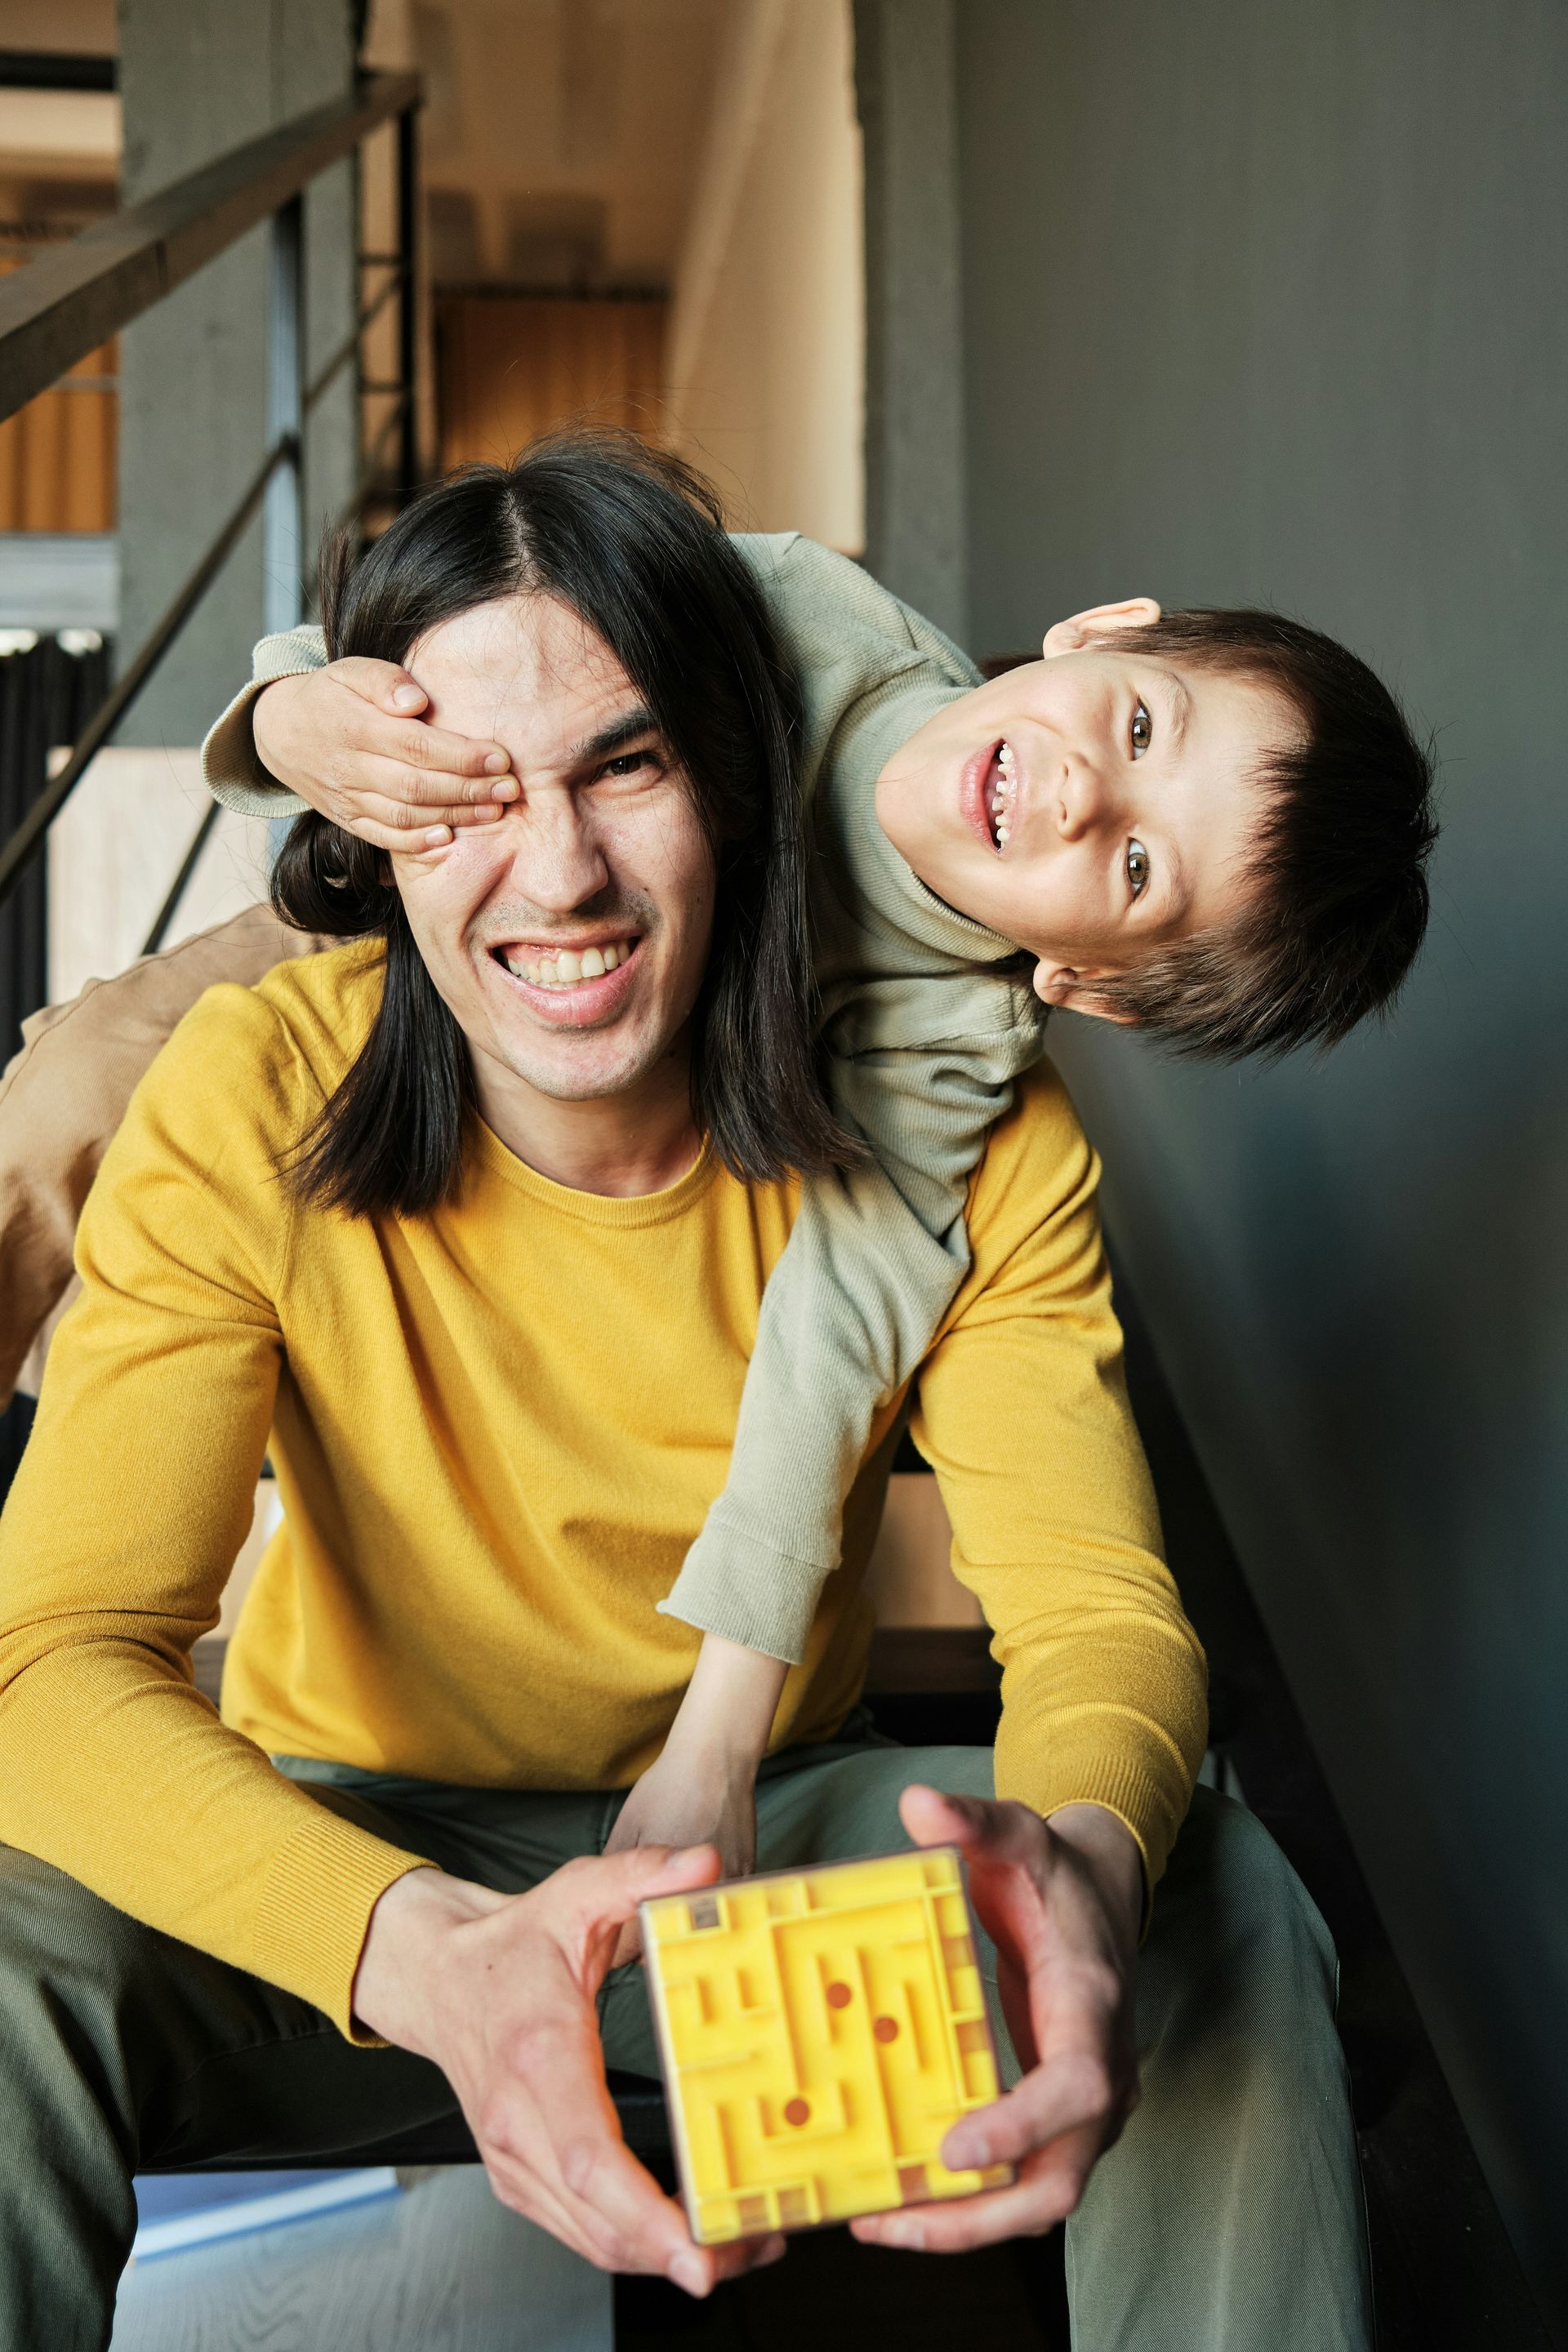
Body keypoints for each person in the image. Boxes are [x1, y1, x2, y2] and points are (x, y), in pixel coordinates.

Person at [0, 446, 1368, 2350]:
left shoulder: (962, 1120)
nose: (557, 867)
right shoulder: (248, 1089)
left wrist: (1088, 1880)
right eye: (474, 788)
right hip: (354, 1872)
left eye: (630, 768)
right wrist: (426, 1950)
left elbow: (1095, 1612)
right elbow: (50, 1658)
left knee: (1206, 1892)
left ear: (734, 771)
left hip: (753, 1865)